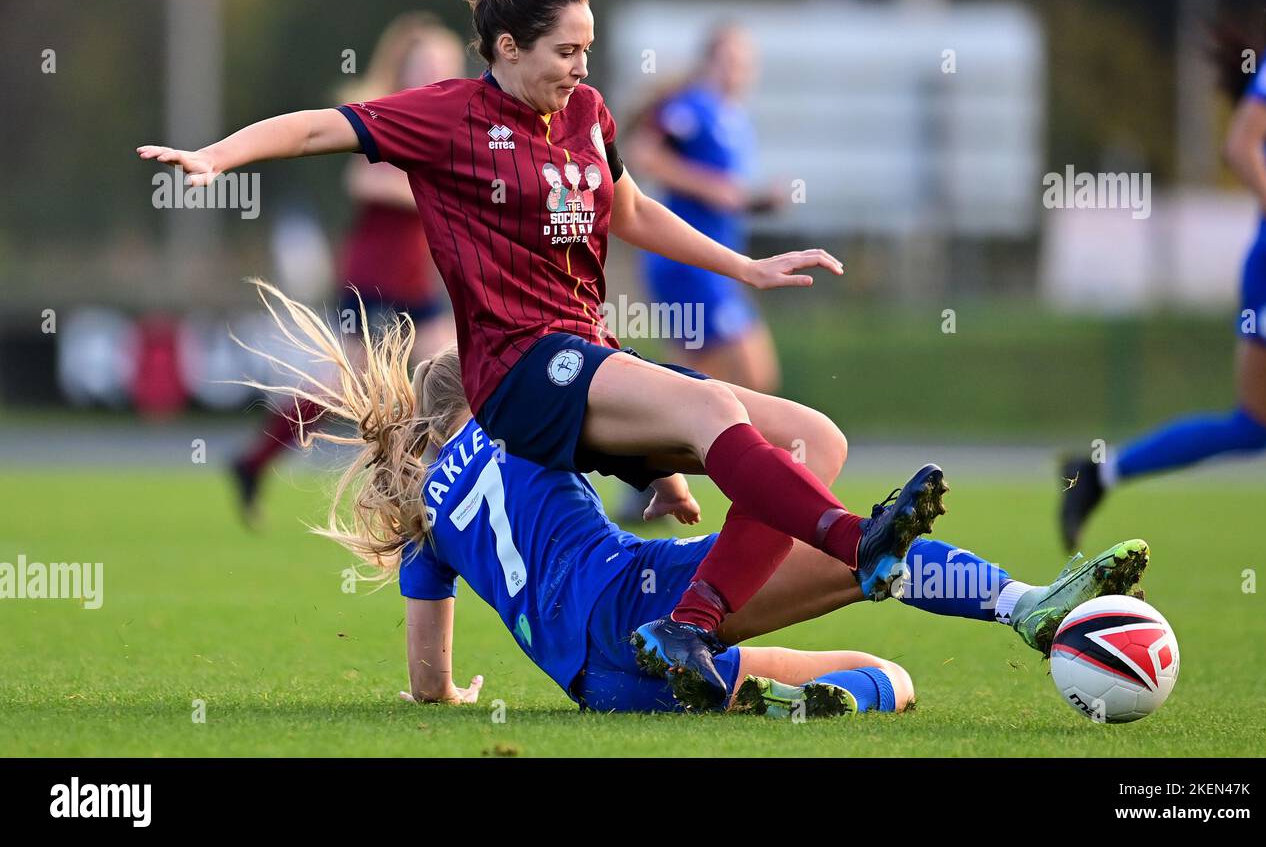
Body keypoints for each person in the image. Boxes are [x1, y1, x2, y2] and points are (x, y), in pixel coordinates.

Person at [137, 0, 948, 710]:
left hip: (592, 353)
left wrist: (743, 266)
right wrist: (216, 156)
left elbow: (628, 209)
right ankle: (854, 540)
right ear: (505, 48)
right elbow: (320, 126)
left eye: (587, 49)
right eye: (565, 51)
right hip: (520, 373)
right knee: (716, 412)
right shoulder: (448, 117)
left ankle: (689, 628)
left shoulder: (589, 113)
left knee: (815, 441)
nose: (581, 67)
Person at [237, 280, 1152, 715]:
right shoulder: (520, 417)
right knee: (869, 551)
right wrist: (670, 469)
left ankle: (812, 702)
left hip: (600, 684)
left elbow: (429, 683)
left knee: (891, 682)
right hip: (638, 600)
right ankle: (1025, 605)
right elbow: (627, 427)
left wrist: (449, 695)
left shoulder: (431, 525)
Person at [1060, 0, 1266, 550]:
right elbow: (1240, 146)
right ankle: (1099, 473)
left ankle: (1099, 473)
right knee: (1252, 426)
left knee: (1253, 433)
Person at [230, 12, 462, 523]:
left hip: (416, 281)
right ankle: (254, 460)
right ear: (401, 71)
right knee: (345, 387)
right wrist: (445, 196)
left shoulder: (446, 123)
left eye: (444, 65)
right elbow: (365, 182)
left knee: (448, 374)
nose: (436, 74)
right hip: (373, 281)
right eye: (426, 65)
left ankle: (441, 487)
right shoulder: (389, 117)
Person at [629, 24, 783, 393]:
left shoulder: (735, 118)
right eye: (729, 61)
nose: (738, 71)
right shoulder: (693, 106)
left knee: (703, 382)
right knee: (748, 373)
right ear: (709, 63)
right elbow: (643, 154)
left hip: (718, 263)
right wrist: (710, 187)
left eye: (745, 63)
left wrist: (756, 202)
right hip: (688, 262)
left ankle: (681, 445)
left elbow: (726, 197)